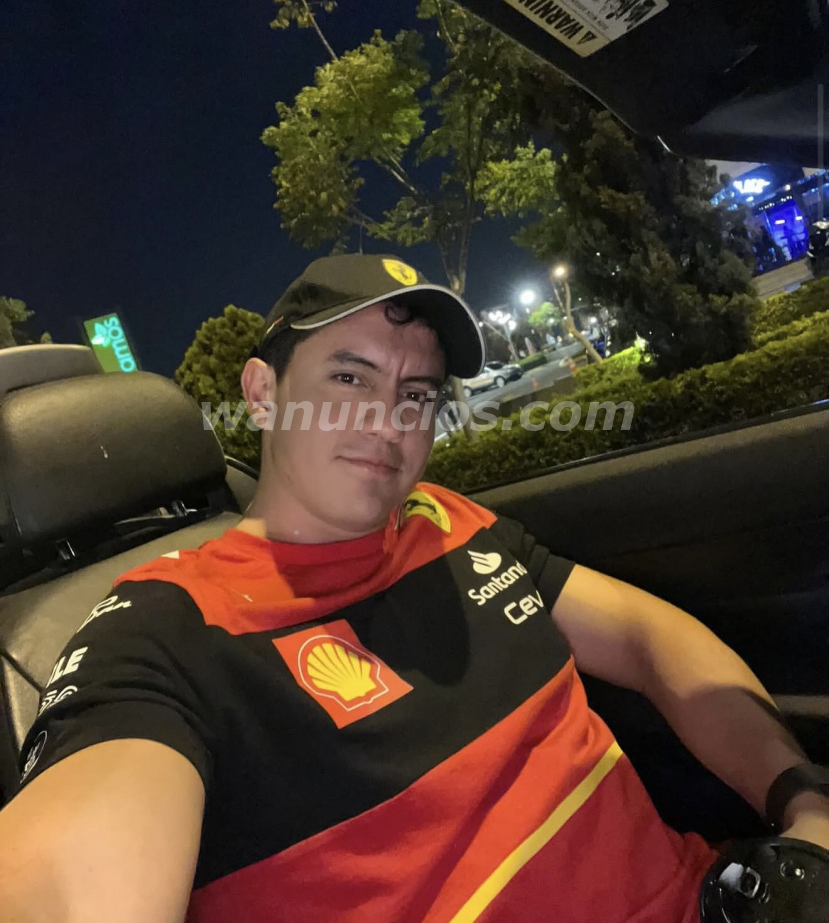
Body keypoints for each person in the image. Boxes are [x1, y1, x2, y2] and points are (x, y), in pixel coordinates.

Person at [1, 253, 827, 923]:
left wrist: (801, 802)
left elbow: (649, 640)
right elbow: (76, 870)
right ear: (261, 393)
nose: (387, 419)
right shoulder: (164, 630)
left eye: (416, 394)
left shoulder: (448, 520)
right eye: (349, 378)